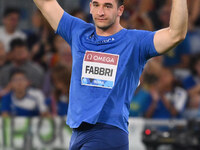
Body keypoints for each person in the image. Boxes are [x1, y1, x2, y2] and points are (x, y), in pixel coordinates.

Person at [33, 0, 188, 149]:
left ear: (120, 10)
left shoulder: (135, 42)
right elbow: (46, 3)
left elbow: (175, 34)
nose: (101, 12)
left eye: (108, 6)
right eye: (96, 5)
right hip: (78, 133)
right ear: (90, 7)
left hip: (108, 132)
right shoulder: (78, 31)